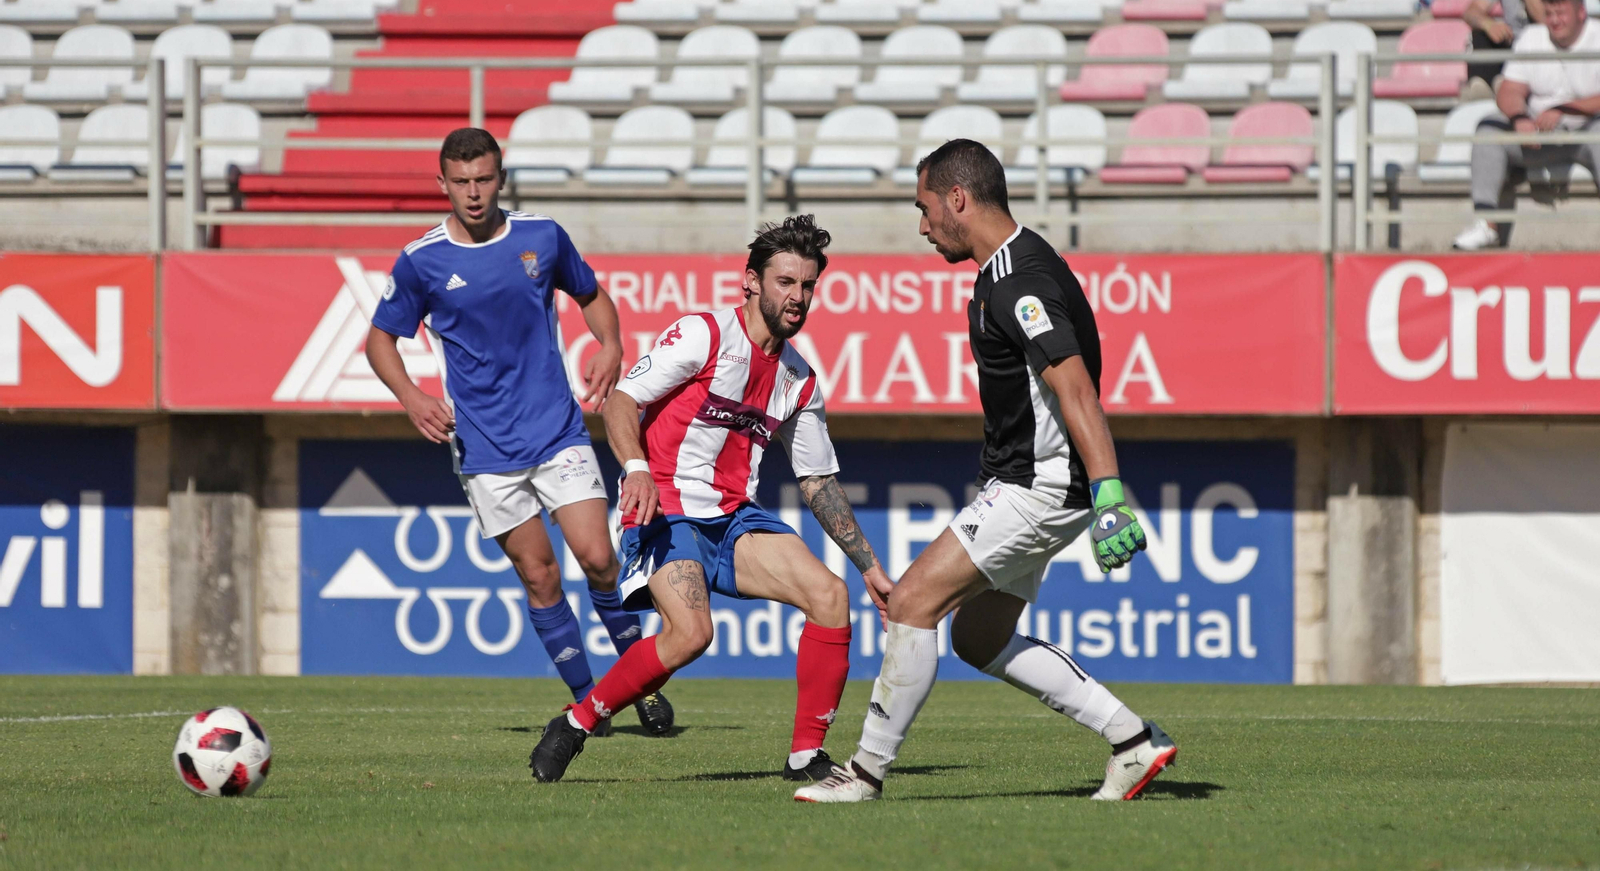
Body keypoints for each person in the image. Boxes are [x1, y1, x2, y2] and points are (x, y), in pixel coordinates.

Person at [795, 140, 1174, 804]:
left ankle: (862, 774)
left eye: (924, 207)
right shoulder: (1021, 261)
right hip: (1038, 483)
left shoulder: (1017, 280)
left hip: (1040, 485)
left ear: (957, 199)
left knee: (912, 601)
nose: (922, 224)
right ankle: (1131, 740)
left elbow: (1077, 387)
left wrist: (1110, 489)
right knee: (978, 635)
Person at [529, 214, 895, 784]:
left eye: (807, 286)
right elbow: (621, 402)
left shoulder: (799, 380)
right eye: (784, 282)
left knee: (829, 596)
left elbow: (817, 481)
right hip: (666, 505)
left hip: (732, 519)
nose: (797, 297)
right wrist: (636, 469)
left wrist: (869, 565)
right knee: (693, 635)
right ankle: (577, 723)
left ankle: (805, 755)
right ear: (750, 281)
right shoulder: (703, 334)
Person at [366, 127, 674, 738]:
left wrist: (610, 344)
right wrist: (411, 397)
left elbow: (592, 295)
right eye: (461, 183)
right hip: (484, 450)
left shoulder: (540, 235)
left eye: (483, 180)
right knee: (540, 575)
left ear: (500, 178)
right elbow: (380, 341)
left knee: (599, 559)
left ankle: (636, 683)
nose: (473, 193)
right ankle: (589, 703)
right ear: (442, 185)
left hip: (556, 431)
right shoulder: (421, 260)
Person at [1454, 0, 1600, 250]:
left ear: (1581, 12)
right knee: (1489, 129)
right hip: (1536, 135)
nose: (1554, 21)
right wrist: (1519, 118)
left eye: (1561, 13)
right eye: (1550, 13)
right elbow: (1509, 89)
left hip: (1585, 132)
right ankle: (1486, 224)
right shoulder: (1533, 37)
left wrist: (1565, 108)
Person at [1465, 0, 1547, 84]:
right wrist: (1489, 25)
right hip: (1513, 44)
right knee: (1479, 34)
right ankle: (1482, 90)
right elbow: (1471, 12)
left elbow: (1545, 19)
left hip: (1546, 46)